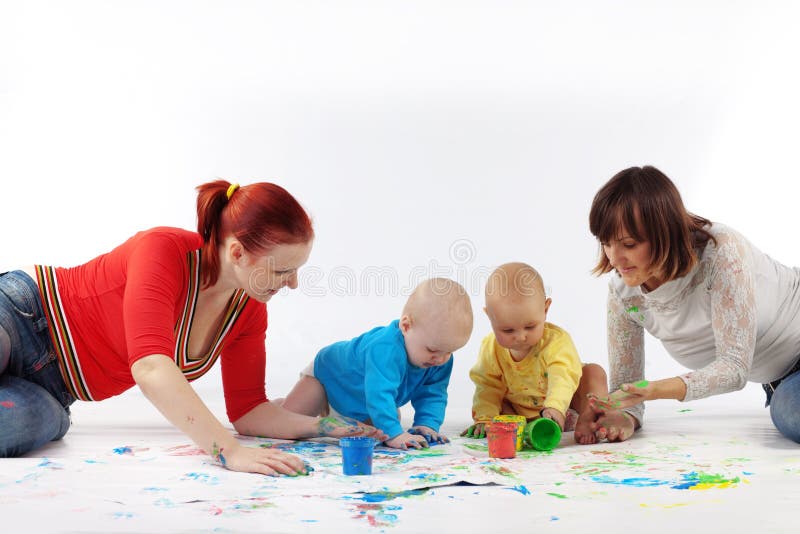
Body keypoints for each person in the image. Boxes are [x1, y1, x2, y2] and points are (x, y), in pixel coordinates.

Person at [0, 180, 385, 473]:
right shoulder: (163, 251)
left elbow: (249, 410)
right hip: (22, 316)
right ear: (237, 252)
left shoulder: (248, 311)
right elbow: (150, 367)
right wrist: (228, 451)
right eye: (284, 270)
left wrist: (326, 426)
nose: (293, 283)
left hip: (54, 392)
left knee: (17, 426)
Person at [585, 165, 800, 444]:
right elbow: (628, 388)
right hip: (782, 380)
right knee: (791, 411)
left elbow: (734, 368)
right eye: (606, 243)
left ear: (665, 232)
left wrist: (656, 389)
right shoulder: (624, 294)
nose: (614, 258)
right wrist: (619, 413)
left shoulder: (721, 252)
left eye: (629, 244)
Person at [280, 278, 473, 449]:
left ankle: (325, 411)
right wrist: (395, 434)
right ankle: (276, 407)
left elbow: (434, 393)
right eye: (432, 350)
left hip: (361, 399)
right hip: (327, 380)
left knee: (378, 429)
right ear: (406, 326)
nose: (440, 359)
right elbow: (379, 395)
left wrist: (427, 424)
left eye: (449, 351)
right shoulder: (384, 348)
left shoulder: (439, 356)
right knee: (288, 424)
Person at [460, 262, 607, 443]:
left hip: (566, 406)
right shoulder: (491, 348)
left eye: (530, 326)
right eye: (507, 330)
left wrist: (555, 407)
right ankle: (521, 427)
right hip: (520, 415)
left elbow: (563, 376)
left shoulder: (556, 341)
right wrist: (485, 418)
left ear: (545, 310)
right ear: (490, 316)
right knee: (499, 403)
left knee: (594, 372)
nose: (521, 337)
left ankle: (589, 418)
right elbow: (487, 386)